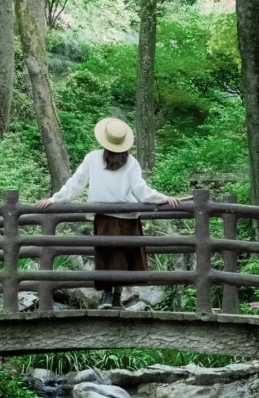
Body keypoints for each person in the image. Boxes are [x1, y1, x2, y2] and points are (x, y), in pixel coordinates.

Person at [39, 118, 183, 309]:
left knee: (108, 255)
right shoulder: (131, 161)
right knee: (122, 257)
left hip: (104, 217)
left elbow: (76, 183)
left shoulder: (93, 158)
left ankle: (108, 297)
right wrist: (162, 198)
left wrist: (54, 199)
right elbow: (141, 190)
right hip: (127, 217)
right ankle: (115, 298)